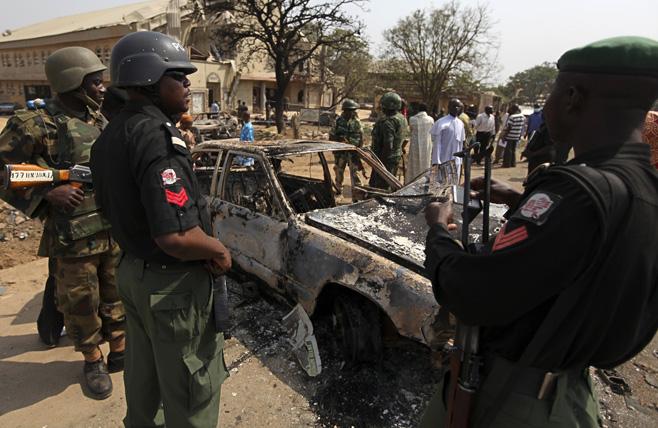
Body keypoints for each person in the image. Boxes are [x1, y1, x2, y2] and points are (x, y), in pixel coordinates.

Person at [421, 36, 658, 428]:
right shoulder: (643, 187)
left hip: (513, 399)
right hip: (571, 393)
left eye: (551, 92)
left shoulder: (576, 195)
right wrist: (522, 202)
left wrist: (438, 232)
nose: (546, 106)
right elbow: (590, 255)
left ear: (573, 97)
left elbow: (472, 294)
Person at [90, 31, 232, 427]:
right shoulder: (158, 137)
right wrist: (218, 251)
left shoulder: (112, 134)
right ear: (150, 80)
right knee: (192, 394)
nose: (189, 85)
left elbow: (111, 209)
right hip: (172, 288)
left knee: (145, 382)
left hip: (135, 274)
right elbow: (177, 236)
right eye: (179, 77)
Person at [0, 47, 125, 399]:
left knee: (115, 291)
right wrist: (46, 194)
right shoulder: (36, 125)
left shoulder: (98, 118)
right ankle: (92, 360)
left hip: (109, 228)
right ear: (72, 82)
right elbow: (4, 172)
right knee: (80, 300)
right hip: (72, 236)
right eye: (96, 82)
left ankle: (118, 348)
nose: (103, 89)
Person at [370, 92, 405, 189]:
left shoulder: (388, 122)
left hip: (385, 160)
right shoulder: (401, 118)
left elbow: (388, 145)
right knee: (390, 184)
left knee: (381, 187)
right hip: (395, 157)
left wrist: (380, 165)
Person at [330, 99, 363, 193]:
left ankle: (357, 191)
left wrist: (359, 150)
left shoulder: (356, 121)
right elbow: (332, 136)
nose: (353, 112)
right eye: (351, 110)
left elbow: (361, 136)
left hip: (353, 152)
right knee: (339, 171)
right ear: (345, 110)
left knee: (355, 172)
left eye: (354, 110)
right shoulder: (338, 121)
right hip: (341, 152)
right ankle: (338, 189)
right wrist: (339, 141)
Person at [430, 99, 466, 181]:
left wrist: (461, 160)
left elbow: (461, 143)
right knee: (440, 183)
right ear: (449, 107)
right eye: (454, 106)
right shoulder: (441, 123)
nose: (456, 108)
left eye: (459, 107)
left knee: (453, 185)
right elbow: (437, 144)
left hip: (456, 160)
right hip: (443, 160)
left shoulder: (460, 123)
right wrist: (436, 161)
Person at [407, 102, 434, 184]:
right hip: (426, 145)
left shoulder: (412, 119)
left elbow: (411, 130)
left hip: (415, 145)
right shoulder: (431, 120)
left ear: (418, 110)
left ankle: (412, 182)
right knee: (425, 162)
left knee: (414, 163)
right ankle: (424, 181)